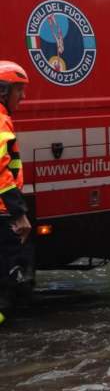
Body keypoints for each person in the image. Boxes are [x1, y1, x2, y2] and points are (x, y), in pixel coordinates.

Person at [0, 61, 32, 327]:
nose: (23, 96)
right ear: (3, 91)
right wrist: (18, 213)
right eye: (18, 90)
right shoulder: (0, 121)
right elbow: (1, 171)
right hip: (2, 212)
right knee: (10, 278)